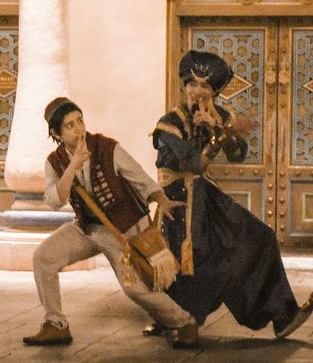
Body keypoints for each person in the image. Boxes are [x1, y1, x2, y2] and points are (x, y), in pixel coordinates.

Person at [149, 50, 313, 344]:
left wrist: (218, 127)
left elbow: (238, 154)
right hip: (177, 200)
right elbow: (195, 164)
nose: (198, 91)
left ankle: (283, 315)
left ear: (215, 90)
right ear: (185, 85)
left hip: (204, 195)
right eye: (193, 84)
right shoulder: (169, 123)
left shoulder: (220, 116)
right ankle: (177, 320)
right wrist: (219, 136)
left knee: (260, 238)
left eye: (205, 86)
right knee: (199, 258)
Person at [23, 97, 201, 349]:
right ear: (56, 133)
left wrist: (161, 199)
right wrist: (73, 166)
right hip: (88, 228)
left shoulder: (106, 148)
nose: (79, 129)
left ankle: (185, 323)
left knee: (135, 288)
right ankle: (56, 324)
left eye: (80, 121)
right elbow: (54, 200)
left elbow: (139, 177)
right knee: (44, 257)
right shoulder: (55, 162)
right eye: (70, 126)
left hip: (124, 228)